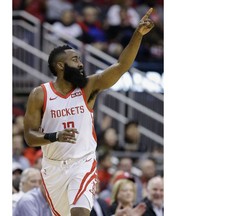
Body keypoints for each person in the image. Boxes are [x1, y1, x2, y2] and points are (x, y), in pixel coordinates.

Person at [23, 8, 154, 216]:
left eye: (80, 59)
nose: (81, 64)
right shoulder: (40, 94)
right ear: (60, 66)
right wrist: (55, 136)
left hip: (82, 161)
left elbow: (120, 66)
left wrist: (137, 35)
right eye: (75, 60)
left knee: (80, 212)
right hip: (53, 167)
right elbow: (30, 137)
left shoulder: (87, 87)